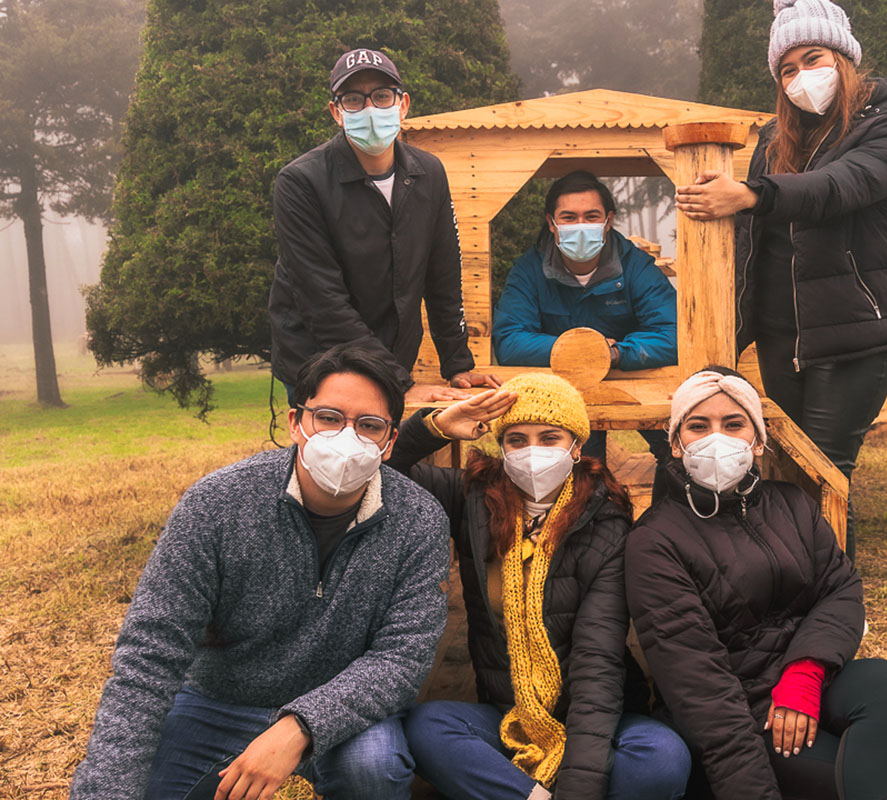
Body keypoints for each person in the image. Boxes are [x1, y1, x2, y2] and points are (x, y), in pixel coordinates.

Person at [69, 344, 450, 800]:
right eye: (328, 417)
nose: (347, 438)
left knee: (374, 770)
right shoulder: (217, 504)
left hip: (346, 710)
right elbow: (149, 654)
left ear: (389, 443)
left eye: (368, 426)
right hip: (219, 702)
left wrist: (300, 726)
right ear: (295, 423)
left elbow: (401, 659)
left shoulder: (420, 520)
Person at [673, 0, 887, 561]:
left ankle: (835, 602)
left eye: (814, 59)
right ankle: (794, 593)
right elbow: (752, 250)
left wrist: (752, 194)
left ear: (844, 58)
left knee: (825, 472)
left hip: (856, 335)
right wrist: (717, 339)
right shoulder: (771, 142)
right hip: (784, 340)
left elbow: (838, 188)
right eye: (787, 69)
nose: (801, 77)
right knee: (786, 469)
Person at [625, 367, 887, 800]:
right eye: (698, 426)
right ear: (676, 444)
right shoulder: (654, 541)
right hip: (744, 714)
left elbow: (841, 590)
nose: (718, 438)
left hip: (807, 685)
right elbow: (701, 690)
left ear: (757, 439)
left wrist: (805, 673)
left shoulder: (792, 505)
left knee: (884, 681)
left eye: (733, 424)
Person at [388, 373, 691, 800]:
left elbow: (597, 662)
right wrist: (433, 427)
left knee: (661, 756)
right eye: (517, 439)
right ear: (501, 446)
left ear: (576, 446)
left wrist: (579, 786)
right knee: (427, 727)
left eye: (549, 438)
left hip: (597, 717)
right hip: (507, 714)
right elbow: (378, 469)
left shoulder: (606, 522)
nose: (533, 452)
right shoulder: (472, 497)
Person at [269, 47, 498, 405]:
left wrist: (458, 364)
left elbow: (443, 277)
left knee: (389, 458)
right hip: (318, 363)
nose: (371, 109)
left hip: (392, 358)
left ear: (403, 104)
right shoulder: (301, 183)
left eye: (381, 96)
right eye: (354, 100)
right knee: (333, 458)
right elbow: (323, 301)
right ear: (336, 112)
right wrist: (398, 381)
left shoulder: (429, 174)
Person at [492, 171, 677, 474]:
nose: (581, 226)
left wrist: (616, 354)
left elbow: (673, 333)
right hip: (560, 390)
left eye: (591, 216)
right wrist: (580, 351)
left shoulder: (636, 266)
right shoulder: (529, 270)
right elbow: (510, 340)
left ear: (608, 221)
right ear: (551, 222)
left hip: (631, 383)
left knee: (675, 452)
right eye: (569, 217)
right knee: (578, 463)